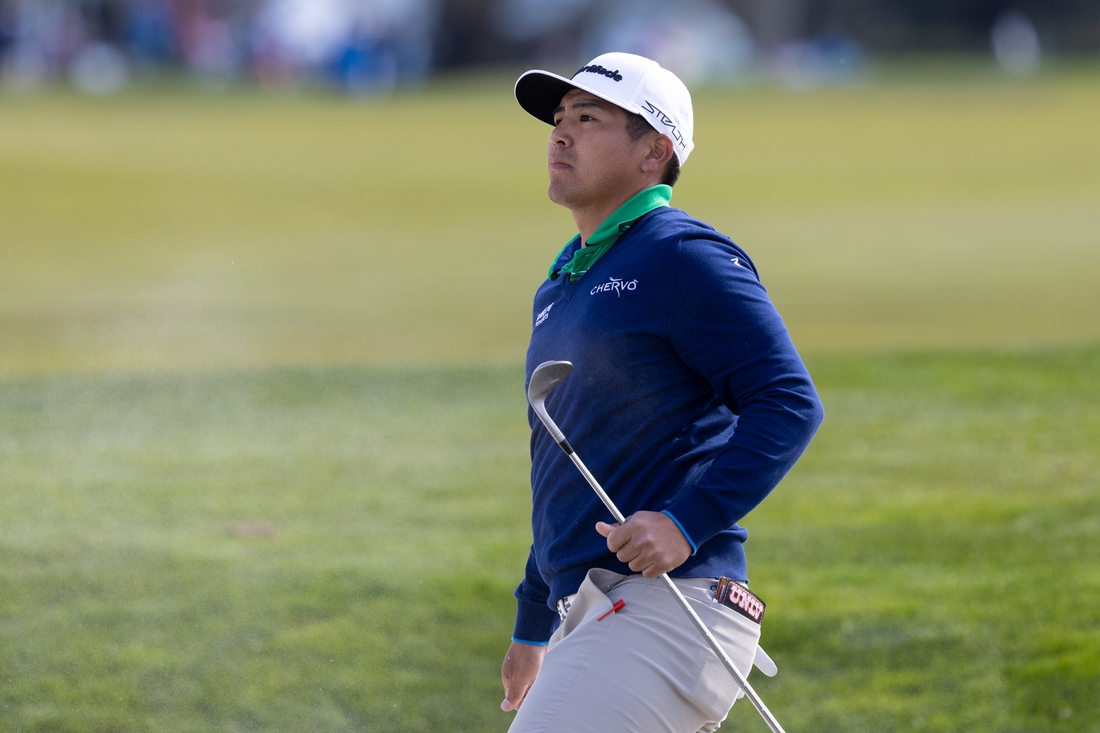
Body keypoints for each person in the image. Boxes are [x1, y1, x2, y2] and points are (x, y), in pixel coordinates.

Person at [501, 52, 824, 733]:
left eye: (588, 119)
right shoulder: (561, 285)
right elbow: (566, 462)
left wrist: (685, 522)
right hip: (596, 613)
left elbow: (789, 401)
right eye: (559, 119)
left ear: (654, 152)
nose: (561, 134)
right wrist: (533, 620)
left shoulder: (682, 255)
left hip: (669, 606)